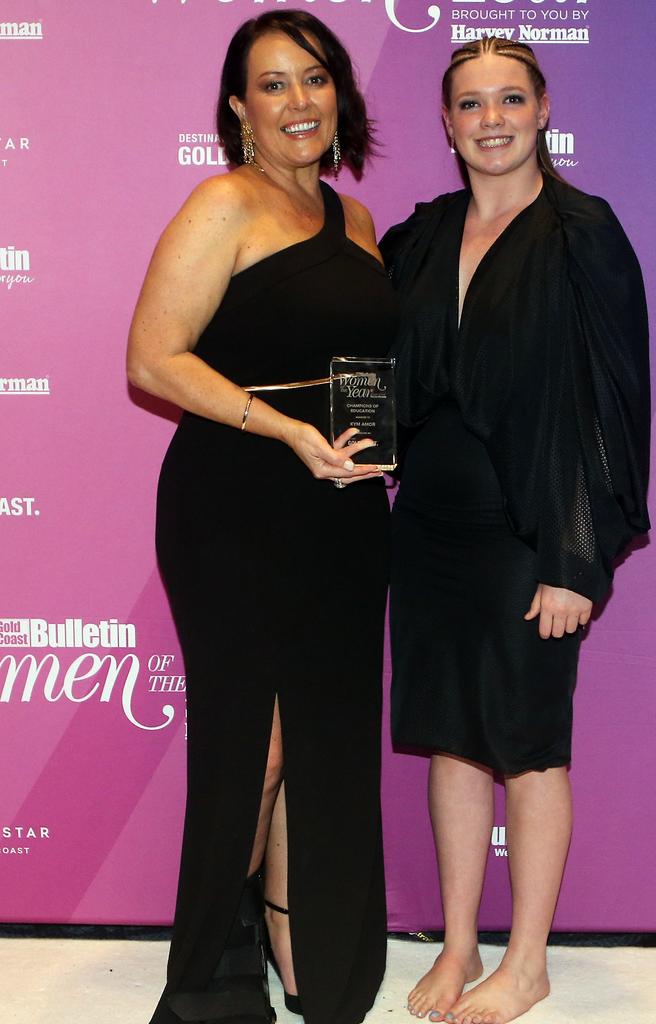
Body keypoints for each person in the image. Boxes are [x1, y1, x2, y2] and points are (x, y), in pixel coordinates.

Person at [127, 12, 396, 1024]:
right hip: (236, 505)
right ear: (239, 109)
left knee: (323, 738)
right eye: (272, 85)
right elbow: (153, 358)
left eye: (314, 80)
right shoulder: (223, 204)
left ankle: (303, 948)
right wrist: (285, 430)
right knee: (259, 745)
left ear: (340, 97)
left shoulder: (358, 222)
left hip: (341, 513)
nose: (298, 102)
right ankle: (208, 977)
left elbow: (365, 371)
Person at [380, 39, 650, 1024]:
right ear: (446, 123)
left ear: (542, 109)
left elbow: (609, 405)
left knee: (531, 746)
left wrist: (573, 556)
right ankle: (459, 945)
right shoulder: (418, 235)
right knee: (452, 738)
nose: (490, 118)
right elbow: (370, 371)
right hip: (428, 530)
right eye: (469, 103)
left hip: (528, 532)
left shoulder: (582, 233)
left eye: (509, 99)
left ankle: (526, 961)